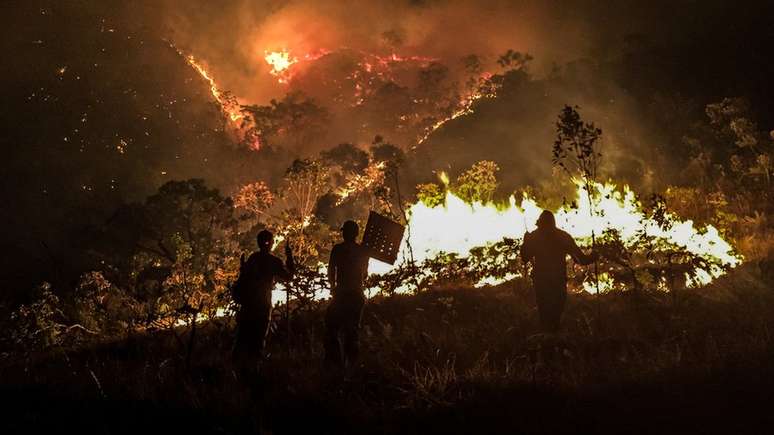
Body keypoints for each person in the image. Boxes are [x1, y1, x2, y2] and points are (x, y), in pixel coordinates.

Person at [520, 210, 597, 333]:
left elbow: (525, 257)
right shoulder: (562, 236)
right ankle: (553, 341)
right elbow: (581, 259)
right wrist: (593, 256)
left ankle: (548, 342)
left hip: (543, 282)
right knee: (555, 314)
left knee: (545, 315)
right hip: (556, 281)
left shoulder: (535, 236)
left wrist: (526, 242)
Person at [232, 230, 294, 373]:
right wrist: (289, 257)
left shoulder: (252, 259)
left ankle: (238, 372)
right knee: (258, 342)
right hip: (262, 306)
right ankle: (254, 374)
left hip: (248, 306)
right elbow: (289, 277)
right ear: (270, 243)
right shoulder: (273, 261)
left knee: (242, 340)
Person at [325, 220, 370, 368]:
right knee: (353, 330)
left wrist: (333, 287)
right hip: (357, 295)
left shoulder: (338, 249)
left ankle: (337, 365)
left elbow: (331, 271)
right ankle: (352, 365)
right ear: (356, 234)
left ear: (346, 233)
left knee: (332, 328)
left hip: (342, 295)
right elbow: (365, 275)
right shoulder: (363, 251)